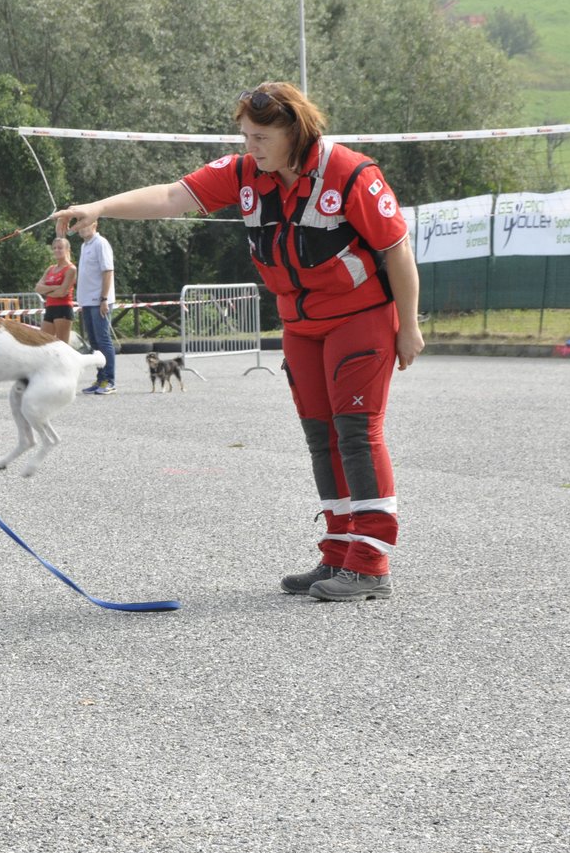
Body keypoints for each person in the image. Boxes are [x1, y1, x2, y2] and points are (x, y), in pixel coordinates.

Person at [52, 82, 424, 602]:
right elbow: (171, 197)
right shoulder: (244, 173)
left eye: (262, 137)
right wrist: (100, 207)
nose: (251, 146)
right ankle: (339, 551)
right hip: (300, 326)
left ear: (295, 130)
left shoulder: (352, 174)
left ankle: (371, 564)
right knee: (321, 436)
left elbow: (397, 252)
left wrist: (408, 326)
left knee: (357, 433)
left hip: (359, 318)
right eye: (246, 136)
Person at [73, 216, 116, 394]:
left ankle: (109, 380)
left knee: (103, 340)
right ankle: (100, 379)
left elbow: (107, 271)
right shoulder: (85, 246)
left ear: (94, 225)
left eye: (85, 224)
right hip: (88, 301)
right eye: (80, 225)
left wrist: (104, 299)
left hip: (99, 300)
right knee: (94, 342)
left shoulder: (101, 243)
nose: (82, 228)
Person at [32, 234, 77, 345]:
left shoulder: (71, 268)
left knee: (62, 345)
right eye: (55, 248)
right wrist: (54, 288)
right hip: (50, 308)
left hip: (63, 308)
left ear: (67, 250)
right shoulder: (51, 268)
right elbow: (37, 288)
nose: (57, 250)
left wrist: (46, 291)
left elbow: (62, 293)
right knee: (43, 343)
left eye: (60, 248)